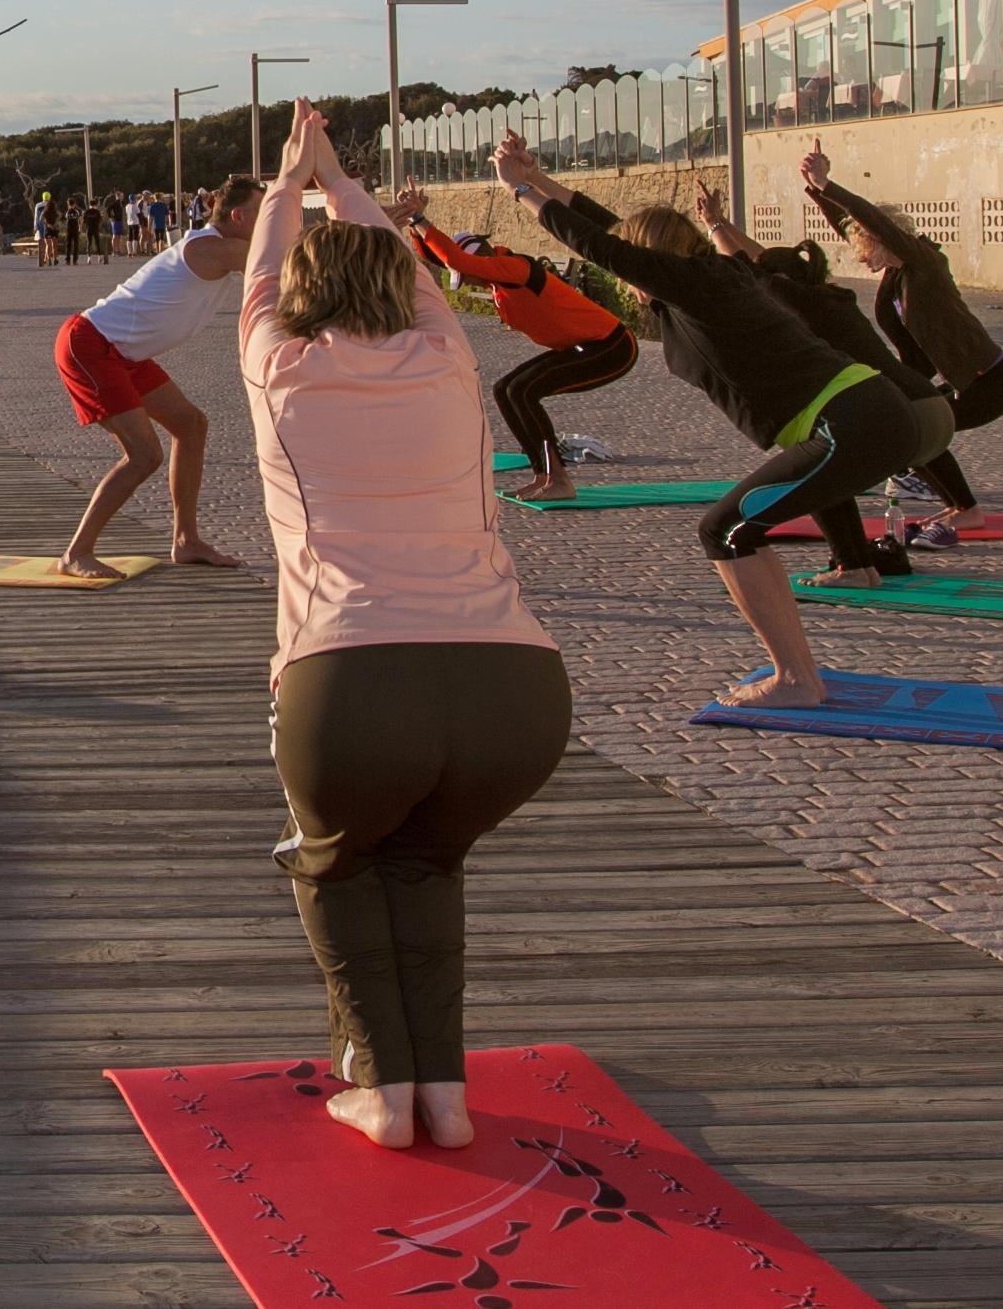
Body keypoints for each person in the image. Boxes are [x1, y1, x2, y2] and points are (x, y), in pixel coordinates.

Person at [237, 106, 571, 1151]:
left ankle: (380, 1089)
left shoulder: (277, 369)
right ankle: (443, 1094)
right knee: (426, 864)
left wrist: (290, 185)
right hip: (513, 688)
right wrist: (339, 182)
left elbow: (256, 278)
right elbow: (408, 273)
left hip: (351, 677)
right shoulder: (445, 357)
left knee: (334, 861)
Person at [491, 133, 942, 707]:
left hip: (852, 419)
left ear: (652, 256)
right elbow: (606, 228)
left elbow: (599, 245)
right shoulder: (705, 279)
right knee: (741, 526)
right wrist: (536, 178)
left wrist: (519, 191)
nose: (630, 278)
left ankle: (797, 679)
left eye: (636, 261)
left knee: (724, 530)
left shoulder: (696, 285)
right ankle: (812, 648)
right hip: (862, 413)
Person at [699, 182, 973, 546]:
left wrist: (716, 229)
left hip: (907, 417)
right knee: (831, 464)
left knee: (819, 467)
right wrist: (718, 223)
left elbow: (746, 267)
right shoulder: (822, 295)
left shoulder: (793, 299)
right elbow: (761, 260)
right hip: (930, 410)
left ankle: (855, 558)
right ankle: (949, 509)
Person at [49, 174, 263, 578]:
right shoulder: (217, 249)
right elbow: (293, 258)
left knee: (191, 425)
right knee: (144, 455)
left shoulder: (220, 244)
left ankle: (186, 541)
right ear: (238, 216)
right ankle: (76, 553)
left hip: (124, 352)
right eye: (262, 211)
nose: (268, 220)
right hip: (90, 345)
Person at [804, 146, 1003, 530]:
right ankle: (960, 506)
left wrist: (829, 184)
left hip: (993, 380)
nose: (857, 256)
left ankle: (967, 509)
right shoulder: (894, 279)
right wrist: (817, 192)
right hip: (967, 380)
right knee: (911, 427)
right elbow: (849, 224)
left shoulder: (922, 263)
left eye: (862, 245)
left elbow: (869, 220)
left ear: (879, 239)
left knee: (919, 429)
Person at [387, 189, 633, 503]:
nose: (472, 283)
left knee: (524, 392)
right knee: (506, 389)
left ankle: (558, 479)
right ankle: (543, 475)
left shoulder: (516, 267)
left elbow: (456, 259)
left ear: (483, 258)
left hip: (610, 346)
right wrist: (413, 221)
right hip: (580, 347)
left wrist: (421, 219)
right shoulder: (496, 277)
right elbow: (441, 259)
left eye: (470, 277)